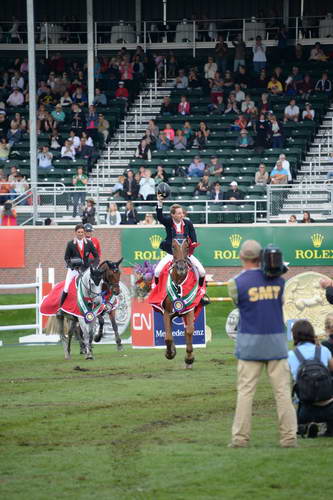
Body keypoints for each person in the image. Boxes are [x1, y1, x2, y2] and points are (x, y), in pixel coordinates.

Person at [228, 240, 297, 448]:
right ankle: (289, 438)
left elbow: (237, 303)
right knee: (283, 393)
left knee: (246, 393)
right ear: (261, 257)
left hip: (249, 344)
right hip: (276, 343)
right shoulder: (279, 281)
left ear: (242, 257)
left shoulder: (235, 283)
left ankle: (240, 439)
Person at [288, 320, 333, 438]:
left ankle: (306, 425)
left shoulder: (291, 355)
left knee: (297, 388)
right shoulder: (323, 350)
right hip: (329, 406)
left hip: (305, 408)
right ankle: (329, 428)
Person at [154, 194, 206, 284]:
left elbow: (193, 233)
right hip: (172, 254)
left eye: (182, 213)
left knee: (202, 272)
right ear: (172, 215)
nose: (182, 215)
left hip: (186, 255)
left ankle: (200, 292)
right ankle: (157, 290)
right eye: (179, 213)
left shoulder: (188, 223)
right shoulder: (169, 222)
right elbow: (160, 217)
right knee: (157, 272)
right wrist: (160, 203)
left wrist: (194, 242)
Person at [60, 224, 99, 308]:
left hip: (85, 269)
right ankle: (60, 307)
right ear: (75, 233)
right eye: (79, 232)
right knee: (66, 287)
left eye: (82, 232)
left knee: (92, 285)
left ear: (84, 232)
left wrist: (95, 265)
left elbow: (96, 256)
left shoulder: (89, 243)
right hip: (74, 269)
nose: (80, 234)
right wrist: (72, 266)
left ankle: (93, 304)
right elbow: (66, 257)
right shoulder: (70, 244)